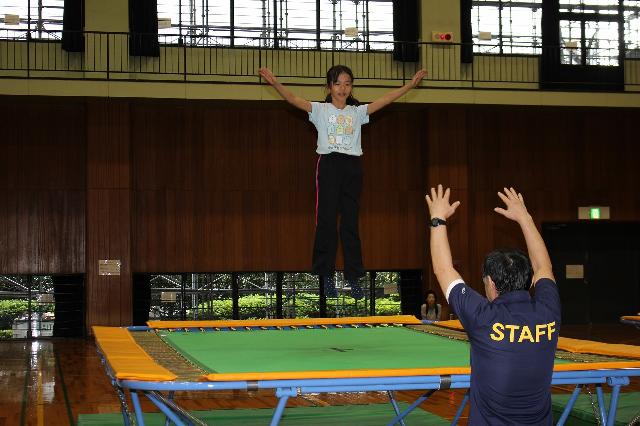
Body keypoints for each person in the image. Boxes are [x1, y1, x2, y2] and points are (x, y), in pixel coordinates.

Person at [259, 65, 427, 299]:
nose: (342, 88)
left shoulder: (357, 112)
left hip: (352, 167)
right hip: (329, 165)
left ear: (351, 87)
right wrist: (276, 83)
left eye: (347, 83)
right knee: (326, 221)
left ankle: (354, 276)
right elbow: (294, 99)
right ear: (329, 87)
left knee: (350, 223)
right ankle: (326, 275)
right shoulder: (320, 110)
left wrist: (409, 85)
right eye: (337, 83)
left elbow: (385, 100)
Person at [425, 185, 560, 425]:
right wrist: (525, 218)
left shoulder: (483, 317)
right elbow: (544, 267)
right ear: (529, 280)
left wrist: (437, 219)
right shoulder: (548, 311)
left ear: (490, 283)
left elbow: (443, 269)